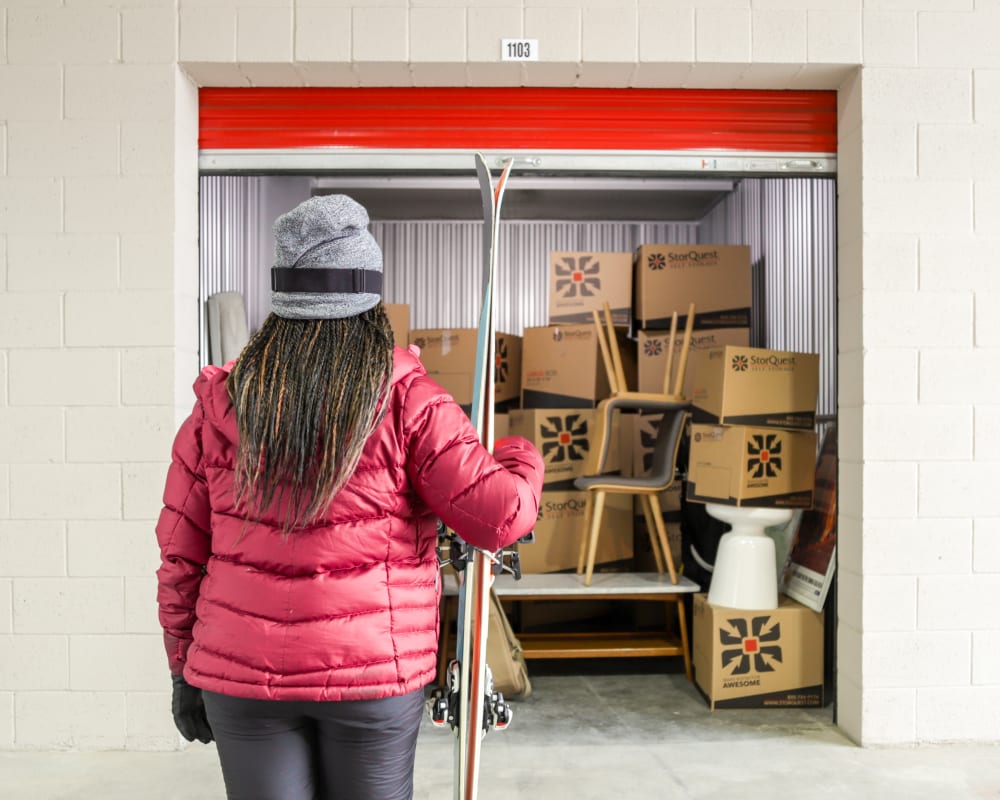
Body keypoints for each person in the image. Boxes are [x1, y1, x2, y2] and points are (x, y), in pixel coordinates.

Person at [155, 194, 544, 800]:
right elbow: (501, 519)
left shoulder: (218, 405)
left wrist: (183, 667)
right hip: (373, 675)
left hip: (241, 678)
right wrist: (520, 454)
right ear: (371, 300)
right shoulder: (409, 400)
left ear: (281, 300)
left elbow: (180, 555)